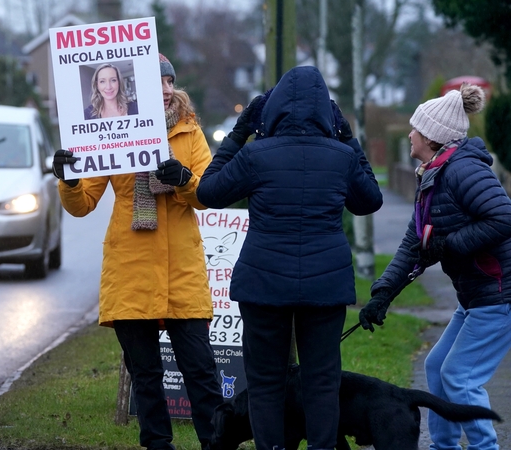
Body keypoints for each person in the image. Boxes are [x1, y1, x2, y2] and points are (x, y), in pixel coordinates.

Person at [195, 65, 383, 450]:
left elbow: (208, 192)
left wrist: (238, 133)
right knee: (322, 380)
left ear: (272, 108)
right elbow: (370, 201)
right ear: (327, 113)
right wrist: (350, 140)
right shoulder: (340, 157)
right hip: (325, 285)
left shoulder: (257, 155)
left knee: (265, 382)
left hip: (263, 283)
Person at [53, 54, 223, 450]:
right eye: (157, 83)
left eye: (169, 82)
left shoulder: (189, 132)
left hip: (182, 271)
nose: (165, 90)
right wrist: (70, 180)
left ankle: (216, 444)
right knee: (145, 375)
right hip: (130, 269)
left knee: (201, 371)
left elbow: (208, 195)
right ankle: (157, 445)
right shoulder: (108, 132)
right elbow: (83, 204)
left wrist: (184, 180)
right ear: (138, 91)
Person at [359, 83, 511, 450]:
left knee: (460, 376)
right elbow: (414, 241)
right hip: (475, 295)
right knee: (436, 367)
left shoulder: (462, 170)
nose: (409, 133)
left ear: (431, 136)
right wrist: (382, 293)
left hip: (498, 293)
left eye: (415, 128)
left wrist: (449, 245)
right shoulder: (432, 175)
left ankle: (484, 447)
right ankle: (443, 446)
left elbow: (503, 217)